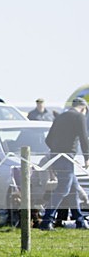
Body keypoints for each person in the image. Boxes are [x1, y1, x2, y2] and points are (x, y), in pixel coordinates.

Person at [39, 97, 89, 230]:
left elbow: (48, 139)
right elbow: (84, 138)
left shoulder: (60, 117)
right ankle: (46, 219)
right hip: (67, 157)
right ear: (83, 108)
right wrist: (87, 157)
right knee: (63, 189)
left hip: (56, 156)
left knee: (73, 191)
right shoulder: (79, 117)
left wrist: (56, 150)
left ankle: (79, 221)